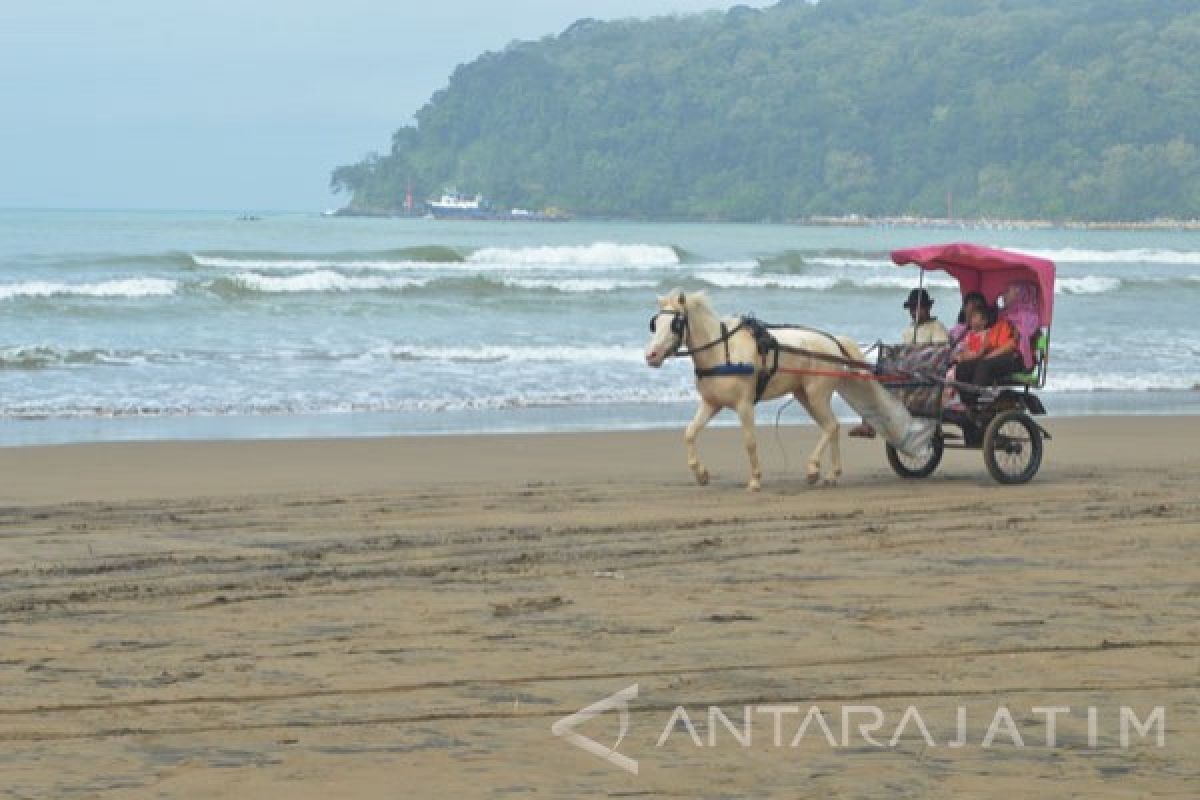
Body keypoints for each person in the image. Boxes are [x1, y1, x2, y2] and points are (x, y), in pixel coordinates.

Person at [848, 288, 947, 438]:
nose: (914, 312)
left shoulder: (937, 327)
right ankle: (868, 424)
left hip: (924, 376)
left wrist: (915, 354)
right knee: (872, 377)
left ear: (927, 308)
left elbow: (939, 355)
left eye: (917, 308)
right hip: (906, 371)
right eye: (912, 309)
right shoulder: (908, 330)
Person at [953, 303, 1022, 404]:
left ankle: (973, 398)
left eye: (1008, 291)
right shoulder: (1002, 317)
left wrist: (988, 356)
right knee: (962, 367)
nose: (1004, 294)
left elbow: (1012, 344)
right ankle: (964, 401)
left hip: (1014, 358)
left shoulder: (1021, 319)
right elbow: (989, 342)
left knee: (984, 364)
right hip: (994, 354)